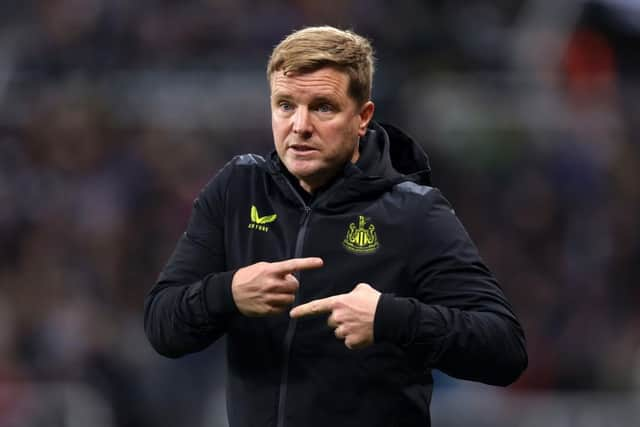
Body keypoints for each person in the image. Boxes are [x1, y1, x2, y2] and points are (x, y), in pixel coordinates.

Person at [144, 26, 527, 427]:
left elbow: (505, 349)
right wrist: (228, 293)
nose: (300, 125)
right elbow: (162, 325)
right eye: (285, 105)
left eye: (322, 107)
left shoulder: (414, 212)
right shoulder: (237, 190)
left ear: (363, 117)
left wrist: (389, 318)